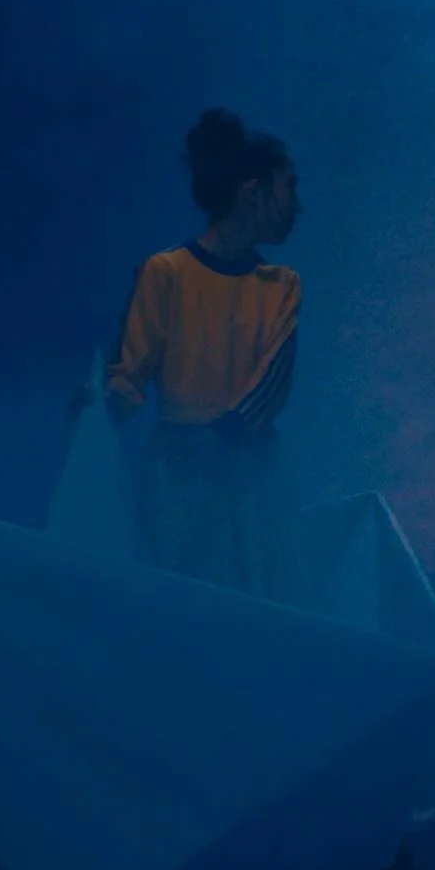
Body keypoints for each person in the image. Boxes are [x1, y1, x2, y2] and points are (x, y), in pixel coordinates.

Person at [92, 107, 303, 595]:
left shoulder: (281, 286)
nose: (297, 205)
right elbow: (130, 374)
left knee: (257, 599)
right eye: (289, 188)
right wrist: (99, 408)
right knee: (181, 595)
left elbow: (273, 380)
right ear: (252, 191)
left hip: (248, 473)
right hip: (179, 475)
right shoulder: (165, 273)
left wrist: (225, 434)